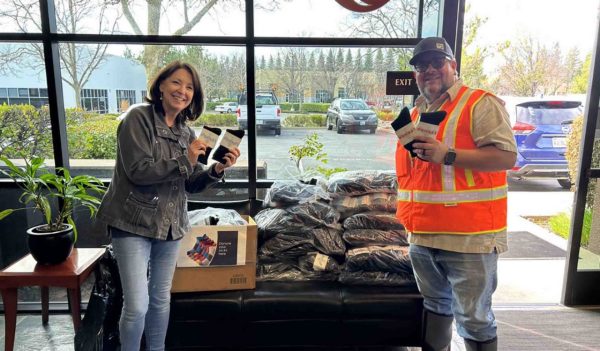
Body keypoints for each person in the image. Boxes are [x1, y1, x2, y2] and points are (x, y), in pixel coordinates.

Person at [96, 61, 240, 351]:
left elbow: (189, 184)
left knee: (161, 299)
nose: (182, 91)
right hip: (132, 222)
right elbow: (138, 171)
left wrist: (215, 171)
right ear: (161, 85)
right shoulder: (137, 118)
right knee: (137, 304)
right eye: (176, 83)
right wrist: (185, 160)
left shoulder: (187, 134)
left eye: (189, 87)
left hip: (171, 224)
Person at [394, 37, 517, 351]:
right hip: (422, 236)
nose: (429, 70)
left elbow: (506, 158)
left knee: (474, 319)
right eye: (422, 66)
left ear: (453, 66)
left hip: (469, 238)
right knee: (435, 307)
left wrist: (447, 154)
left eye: (437, 62)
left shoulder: (479, 103)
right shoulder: (418, 111)